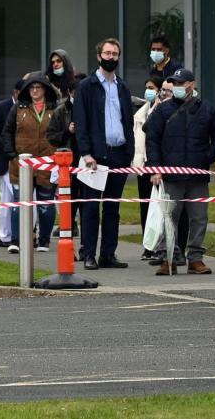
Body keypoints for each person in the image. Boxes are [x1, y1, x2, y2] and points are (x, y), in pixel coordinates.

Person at [145, 68, 215, 276]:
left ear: (192, 84)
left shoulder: (207, 110)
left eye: (181, 83)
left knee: (199, 217)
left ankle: (195, 258)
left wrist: (208, 157)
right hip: (170, 174)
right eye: (175, 83)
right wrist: (155, 168)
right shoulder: (162, 110)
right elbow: (151, 139)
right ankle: (167, 258)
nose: (177, 87)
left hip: (197, 175)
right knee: (168, 217)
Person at [74, 38, 135, 270]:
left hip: (119, 154)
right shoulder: (86, 87)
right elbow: (80, 122)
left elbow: (127, 120)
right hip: (96, 157)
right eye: (107, 53)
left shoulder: (122, 86)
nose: (111, 57)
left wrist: (130, 151)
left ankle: (108, 254)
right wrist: (86, 153)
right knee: (91, 207)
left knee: (112, 208)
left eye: (115, 54)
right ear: (99, 56)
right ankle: (88, 253)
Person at [2, 72, 58, 253]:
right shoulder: (19, 108)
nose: (35, 91)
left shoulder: (54, 109)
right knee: (19, 205)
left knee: (46, 205)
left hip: (47, 165)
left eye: (38, 87)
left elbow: (61, 133)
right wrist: (12, 155)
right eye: (32, 87)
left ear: (45, 90)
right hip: (21, 165)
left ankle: (44, 241)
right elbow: (7, 132)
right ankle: (17, 241)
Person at [47, 73, 84, 243]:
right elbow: (52, 137)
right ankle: (68, 244)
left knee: (88, 206)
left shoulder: (91, 108)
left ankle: (87, 248)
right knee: (68, 206)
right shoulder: (61, 110)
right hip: (68, 164)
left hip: (87, 162)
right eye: (78, 91)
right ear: (70, 92)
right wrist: (67, 132)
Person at [0, 78, 24, 248]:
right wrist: (9, 147)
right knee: (7, 200)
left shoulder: (28, 108)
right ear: (15, 93)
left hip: (23, 161)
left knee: (25, 199)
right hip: (5, 161)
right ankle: (5, 236)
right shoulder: (1, 107)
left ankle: (23, 234)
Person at [133, 76, 164, 261]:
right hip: (141, 164)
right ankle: (148, 245)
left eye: (151, 87)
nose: (148, 91)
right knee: (145, 206)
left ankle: (160, 244)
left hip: (156, 165)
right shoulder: (141, 112)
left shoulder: (161, 110)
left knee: (159, 206)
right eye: (147, 87)